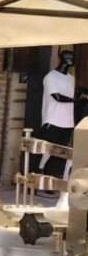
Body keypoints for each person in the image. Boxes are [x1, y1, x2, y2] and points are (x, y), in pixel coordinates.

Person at [38, 50, 76, 181]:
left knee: (60, 153)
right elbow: (57, 97)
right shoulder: (50, 77)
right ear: (61, 58)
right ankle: (39, 176)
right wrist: (77, 100)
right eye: (68, 57)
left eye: (73, 57)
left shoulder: (72, 79)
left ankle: (51, 178)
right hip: (53, 119)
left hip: (68, 121)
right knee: (47, 151)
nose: (71, 59)